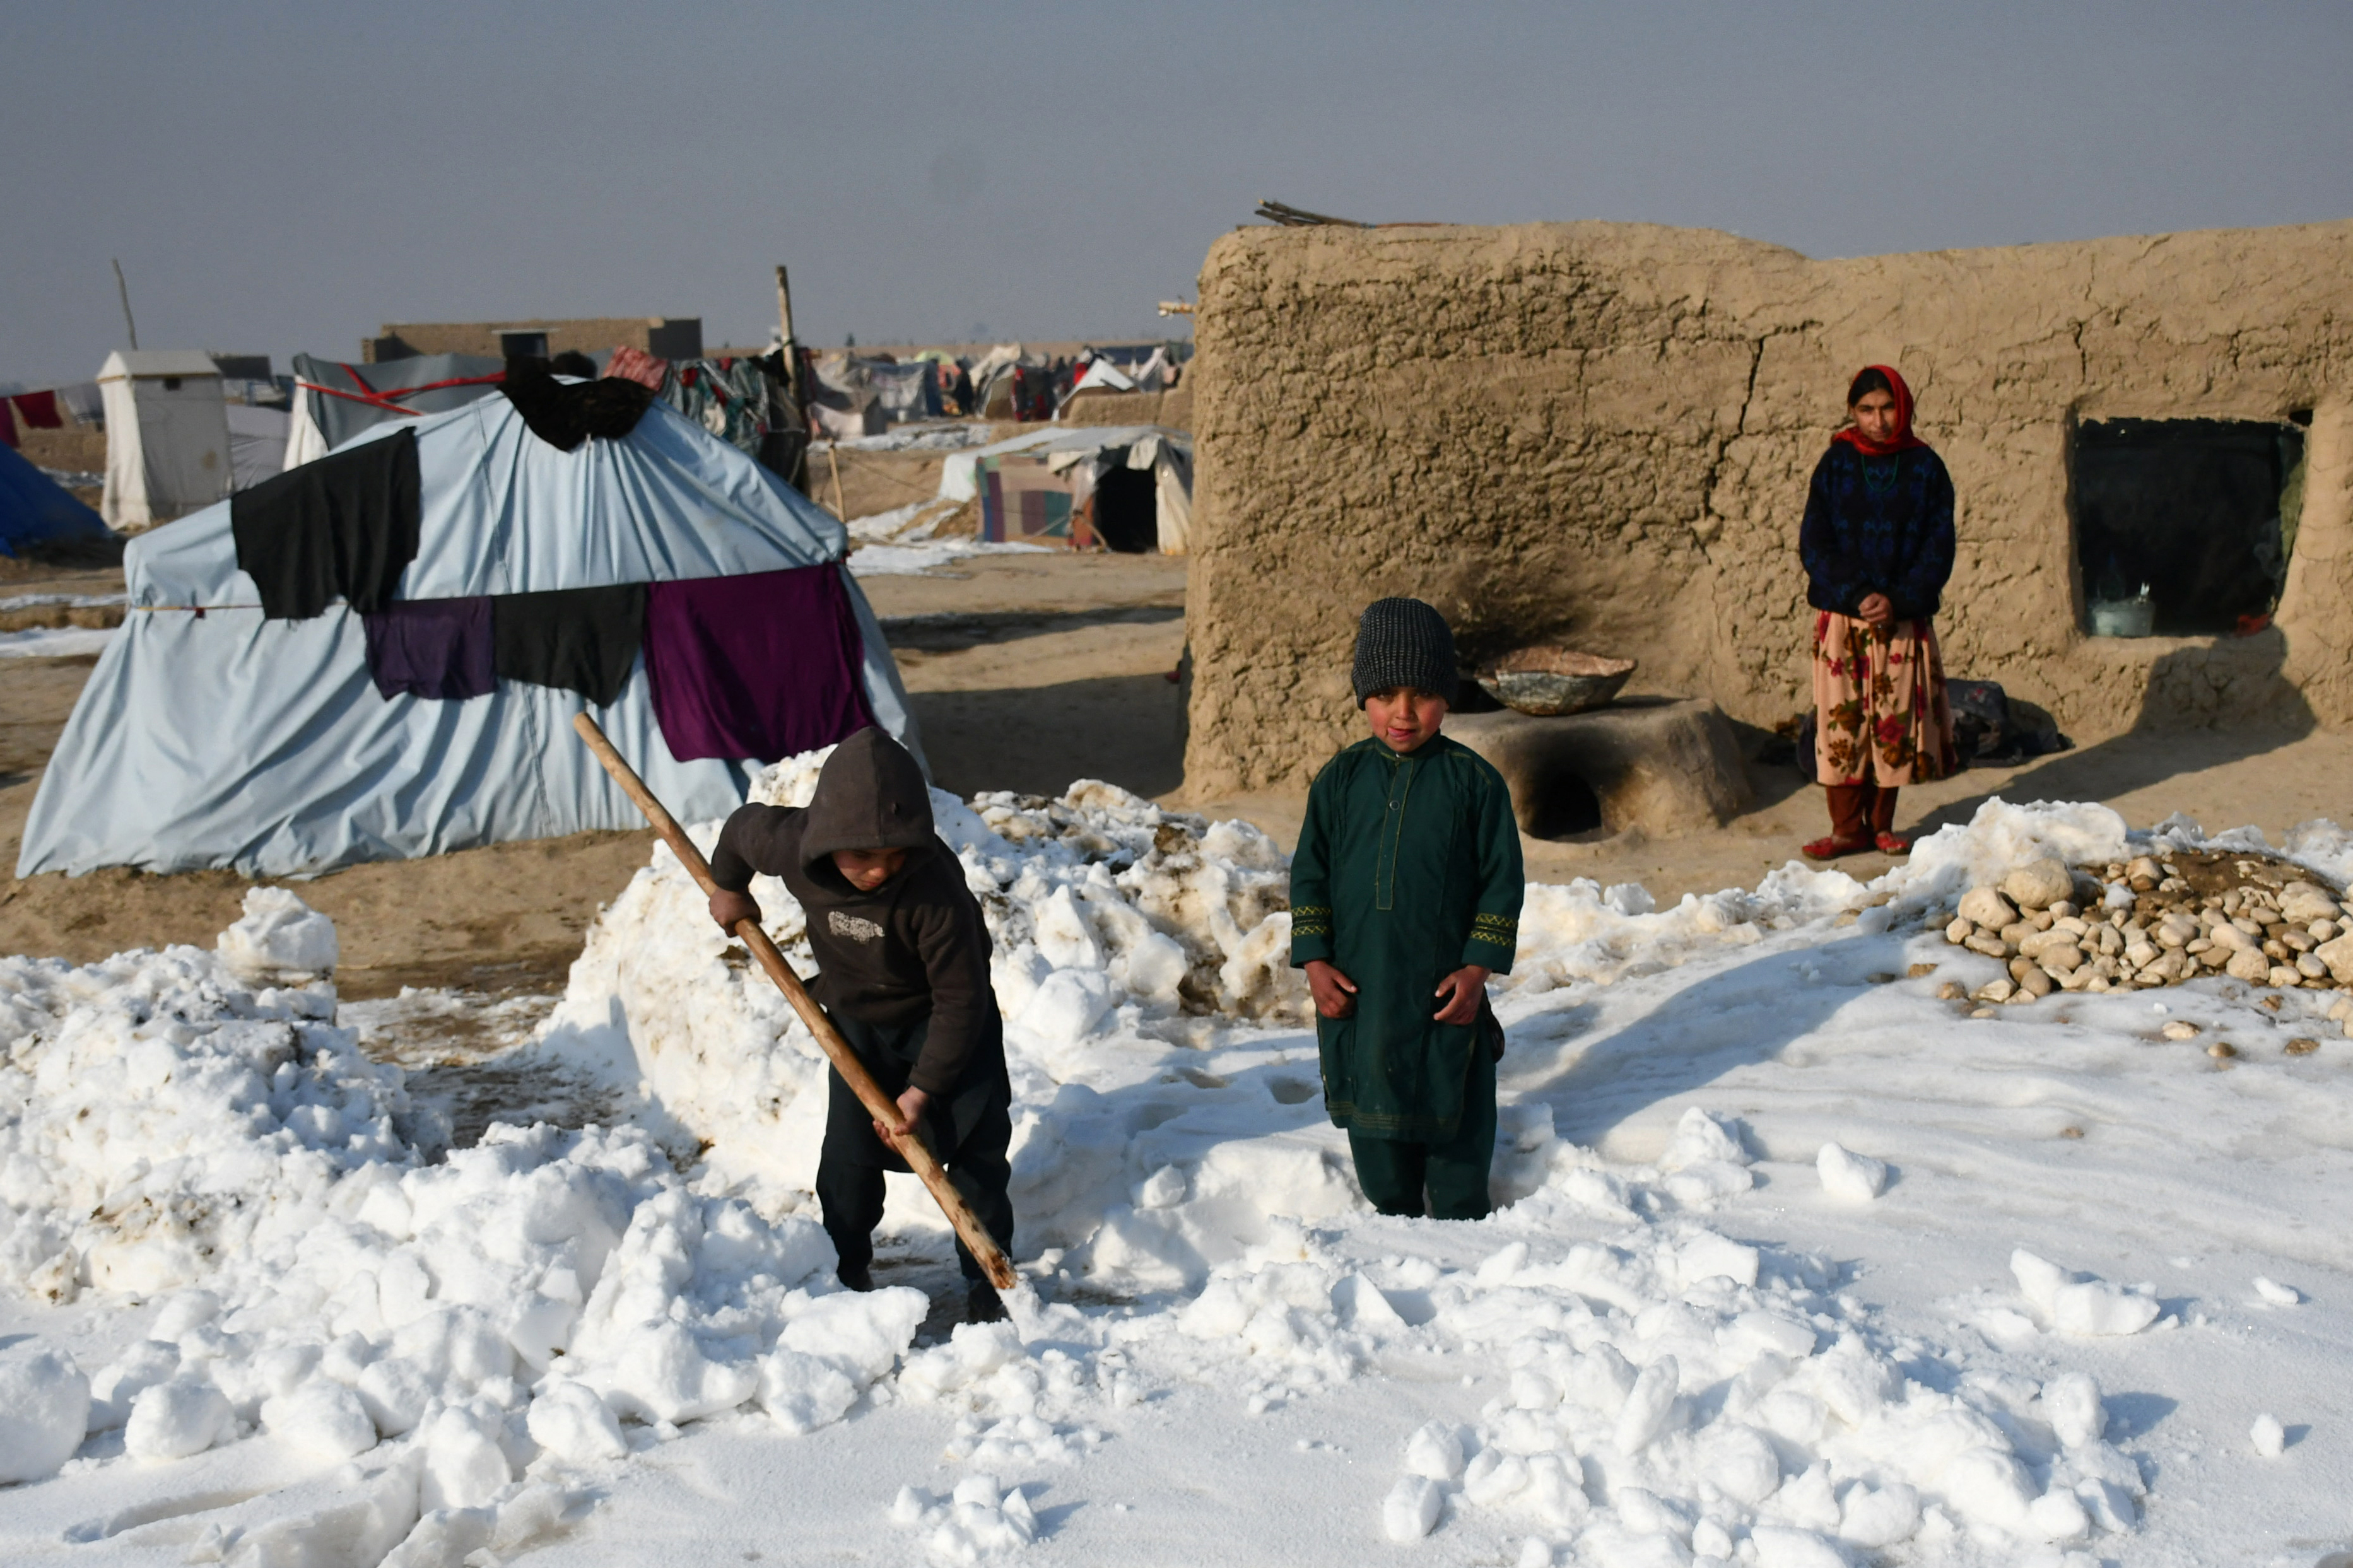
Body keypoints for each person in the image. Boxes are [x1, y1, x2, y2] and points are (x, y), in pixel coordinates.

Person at [705, 727, 1014, 1322]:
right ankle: (846, 1274)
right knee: (847, 1160)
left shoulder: (936, 895)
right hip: (857, 1027)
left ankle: (988, 1286)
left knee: (976, 1157)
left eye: (896, 855)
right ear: (826, 841)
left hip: (947, 1027)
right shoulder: (795, 845)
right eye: (863, 857)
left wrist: (922, 1092)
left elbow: (962, 1001)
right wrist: (728, 887)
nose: (879, 871)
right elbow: (743, 829)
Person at [1289, 598, 1525, 1220]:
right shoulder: (1339, 781)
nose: (1402, 712)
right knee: (1375, 1121)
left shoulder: (1474, 784)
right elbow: (1308, 874)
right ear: (1362, 694)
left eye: (1420, 693)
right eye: (1385, 693)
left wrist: (1476, 971)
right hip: (1360, 990)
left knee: (1456, 1109)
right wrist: (1314, 960)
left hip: (1443, 991)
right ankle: (1392, 1215)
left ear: (1445, 697)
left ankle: (1460, 1218)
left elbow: (1503, 882)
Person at [1798, 365, 1958, 860]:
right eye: (1866, 410)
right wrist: (1857, 593)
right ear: (1853, 411)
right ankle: (1846, 829)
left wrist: (1897, 599)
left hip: (1901, 618)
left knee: (1894, 721)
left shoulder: (1927, 468)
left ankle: (1882, 825)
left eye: (1887, 408)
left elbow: (1939, 547)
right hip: (1844, 617)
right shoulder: (1836, 465)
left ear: (1904, 408)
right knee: (1843, 724)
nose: (1879, 420)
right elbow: (1815, 543)